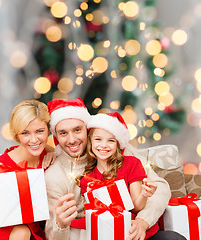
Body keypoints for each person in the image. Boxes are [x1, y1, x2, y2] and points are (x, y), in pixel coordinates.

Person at [44, 98, 186, 240]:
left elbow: (160, 189)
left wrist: (143, 221)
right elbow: (52, 233)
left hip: (135, 230)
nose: (72, 139)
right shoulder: (54, 176)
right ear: (56, 136)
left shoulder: (117, 152)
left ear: (88, 130)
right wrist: (60, 225)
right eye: (63, 133)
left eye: (77, 130)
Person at [0, 100, 55, 240]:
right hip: (0, 234)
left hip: (33, 232)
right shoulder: (1, 168)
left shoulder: (47, 152)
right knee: (21, 231)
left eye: (40, 131)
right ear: (17, 135)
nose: (34, 140)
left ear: (48, 130)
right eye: (25, 133)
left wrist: (54, 154)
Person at [78, 112, 158, 239]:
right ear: (90, 142)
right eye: (98, 139)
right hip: (109, 233)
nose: (104, 145)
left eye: (111, 140)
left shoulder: (131, 164)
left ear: (118, 144)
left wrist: (144, 194)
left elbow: (136, 207)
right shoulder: (87, 179)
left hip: (134, 229)